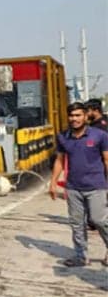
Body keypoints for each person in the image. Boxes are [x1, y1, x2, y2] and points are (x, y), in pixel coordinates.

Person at [48, 102, 108, 267]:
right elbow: (60, 161)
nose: (74, 119)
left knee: (99, 220)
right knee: (76, 223)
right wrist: (53, 183)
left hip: (96, 186)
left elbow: (107, 159)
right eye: (72, 116)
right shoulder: (62, 137)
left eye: (78, 115)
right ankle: (80, 256)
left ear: (85, 116)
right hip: (73, 187)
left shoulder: (99, 135)